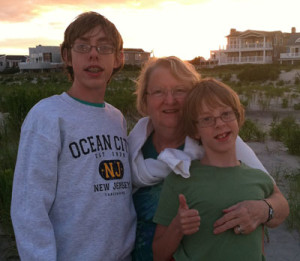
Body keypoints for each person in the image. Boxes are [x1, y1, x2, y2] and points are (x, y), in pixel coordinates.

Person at [128, 56, 289, 260]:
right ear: (145, 100)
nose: (170, 100)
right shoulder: (132, 147)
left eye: (179, 90)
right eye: (158, 91)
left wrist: (261, 210)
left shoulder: (220, 141)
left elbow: (278, 202)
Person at [11, 12, 136, 261]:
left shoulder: (117, 119)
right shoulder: (47, 116)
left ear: (118, 58)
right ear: (67, 56)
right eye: (82, 46)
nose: (93, 54)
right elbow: (29, 209)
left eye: (104, 46)